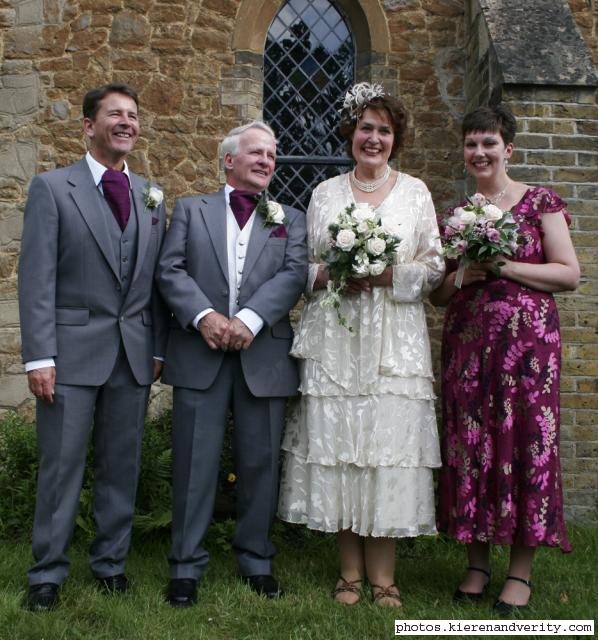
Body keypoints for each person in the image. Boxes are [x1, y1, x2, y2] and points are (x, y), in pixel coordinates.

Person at [277, 83, 445, 607]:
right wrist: (333, 275)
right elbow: (302, 268)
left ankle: (384, 578)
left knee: (386, 452)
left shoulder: (416, 192)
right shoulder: (325, 193)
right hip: (337, 339)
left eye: (385, 131)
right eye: (366, 128)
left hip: (394, 342)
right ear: (351, 133)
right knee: (342, 450)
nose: (374, 139)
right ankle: (348, 573)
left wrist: (387, 274)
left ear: (396, 138)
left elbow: (436, 265)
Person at [18, 83, 168, 611]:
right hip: (70, 356)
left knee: (121, 465)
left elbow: (153, 282)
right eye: (114, 114)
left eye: (133, 114)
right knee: (61, 467)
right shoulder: (52, 189)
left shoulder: (153, 195)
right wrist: (40, 357)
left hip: (132, 355)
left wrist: (158, 350)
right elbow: (35, 278)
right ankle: (47, 573)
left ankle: (110, 564)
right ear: (88, 125)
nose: (126, 122)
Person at [432, 105, 580, 614]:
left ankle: (520, 572)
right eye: (471, 144)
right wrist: (462, 278)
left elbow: (568, 274)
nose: (479, 153)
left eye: (489, 143)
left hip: (529, 354)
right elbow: (438, 293)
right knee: (471, 445)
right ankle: (476, 563)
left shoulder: (540, 203)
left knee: (525, 446)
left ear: (508, 148)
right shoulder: (456, 214)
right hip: (469, 348)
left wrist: (506, 265)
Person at [156, 121, 307, 607]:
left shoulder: (291, 217)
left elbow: (293, 274)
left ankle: (256, 560)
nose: (267, 161)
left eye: (272, 155)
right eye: (257, 153)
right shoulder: (191, 209)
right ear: (229, 161)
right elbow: (170, 269)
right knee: (193, 463)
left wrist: (248, 319)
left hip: (262, 355)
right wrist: (204, 316)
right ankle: (184, 565)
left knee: (261, 462)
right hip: (200, 353)